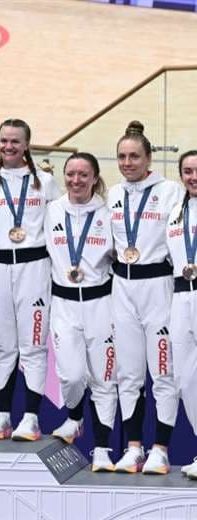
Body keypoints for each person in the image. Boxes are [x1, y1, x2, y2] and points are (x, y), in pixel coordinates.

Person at [0, 119, 61, 442]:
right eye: (3, 140)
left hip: (34, 268)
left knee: (34, 345)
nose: (8, 146)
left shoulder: (46, 182)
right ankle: (1, 417)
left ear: (27, 144)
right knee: (2, 346)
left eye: (15, 141)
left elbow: (58, 227)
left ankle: (31, 417)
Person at [108, 121, 182, 474]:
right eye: (122, 156)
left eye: (134, 156)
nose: (127, 162)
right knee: (128, 373)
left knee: (163, 371)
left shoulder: (170, 191)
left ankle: (161, 449)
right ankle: (134, 447)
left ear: (148, 158)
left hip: (158, 287)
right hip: (122, 288)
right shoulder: (112, 194)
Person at [43, 152, 118, 471]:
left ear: (95, 177)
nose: (76, 181)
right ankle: (74, 417)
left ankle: (102, 449)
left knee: (104, 378)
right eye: (71, 174)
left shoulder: (109, 214)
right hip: (63, 304)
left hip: (101, 304)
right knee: (71, 375)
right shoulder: (51, 211)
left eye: (83, 175)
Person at [165, 150, 197, 479]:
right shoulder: (174, 212)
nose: (193, 177)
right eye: (187, 171)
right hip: (180, 297)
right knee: (186, 380)